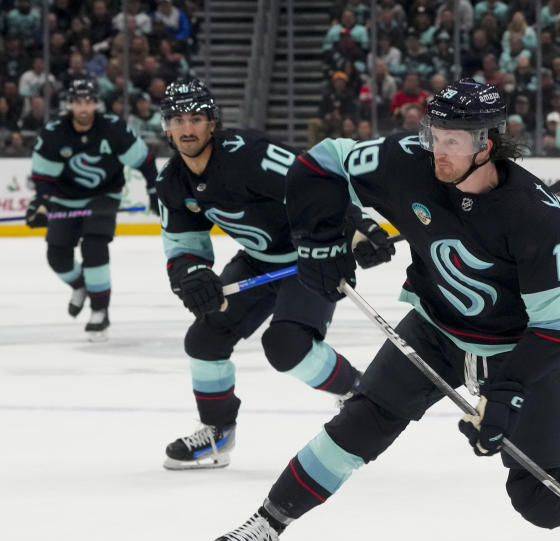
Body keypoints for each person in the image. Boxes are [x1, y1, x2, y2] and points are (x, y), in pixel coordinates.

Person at [205, 79, 560, 541]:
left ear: (487, 143)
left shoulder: (536, 216)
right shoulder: (407, 160)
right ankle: (269, 520)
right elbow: (321, 162)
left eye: (453, 141)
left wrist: (507, 391)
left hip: (518, 352)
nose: (437, 150)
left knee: (539, 498)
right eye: (434, 135)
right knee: (358, 424)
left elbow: (556, 328)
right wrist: (326, 237)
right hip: (435, 331)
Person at [156, 79, 391, 470]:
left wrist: (357, 227)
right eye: (177, 119)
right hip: (260, 260)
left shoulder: (248, 155)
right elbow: (183, 245)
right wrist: (192, 274)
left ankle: (357, 394)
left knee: (287, 344)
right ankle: (217, 433)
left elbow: (314, 181)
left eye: (196, 118)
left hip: (310, 255)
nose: (187, 128)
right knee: (205, 338)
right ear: (165, 127)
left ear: (212, 122)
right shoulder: (172, 182)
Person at [26, 75, 159, 340]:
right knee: (57, 257)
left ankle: (100, 311)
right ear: (70, 105)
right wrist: (40, 203)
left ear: (96, 103)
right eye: (78, 102)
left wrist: (154, 190)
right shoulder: (54, 132)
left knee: (94, 247)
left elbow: (144, 160)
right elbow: (43, 178)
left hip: (104, 195)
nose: (84, 108)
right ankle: (82, 286)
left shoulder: (113, 129)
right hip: (65, 199)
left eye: (88, 102)